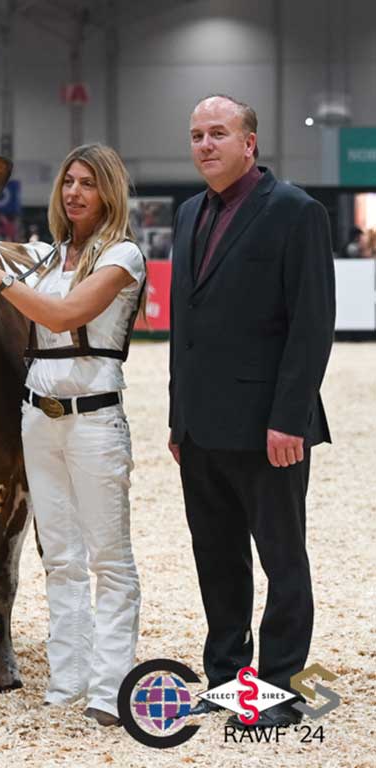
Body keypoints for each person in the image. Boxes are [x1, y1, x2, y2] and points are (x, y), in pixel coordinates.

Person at [0, 143, 144, 727]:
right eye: (68, 182)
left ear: (109, 191)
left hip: (94, 418)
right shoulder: (49, 256)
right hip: (39, 416)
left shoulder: (124, 256)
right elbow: (18, 289)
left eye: (88, 183)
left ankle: (110, 687)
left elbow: (63, 318)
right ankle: (69, 680)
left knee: (108, 559)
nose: (75, 193)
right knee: (59, 556)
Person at [168, 94, 335, 729]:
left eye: (218, 133)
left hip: (271, 430)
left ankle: (281, 687)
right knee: (216, 558)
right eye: (196, 135)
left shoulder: (296, 212)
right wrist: (178, 419)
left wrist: (290, 417)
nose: (205, 145)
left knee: (282, 560)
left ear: (249, 144)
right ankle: (227, 678)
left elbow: (312, 324)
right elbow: (187, 323)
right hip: (201, 429)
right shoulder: (188, 215)